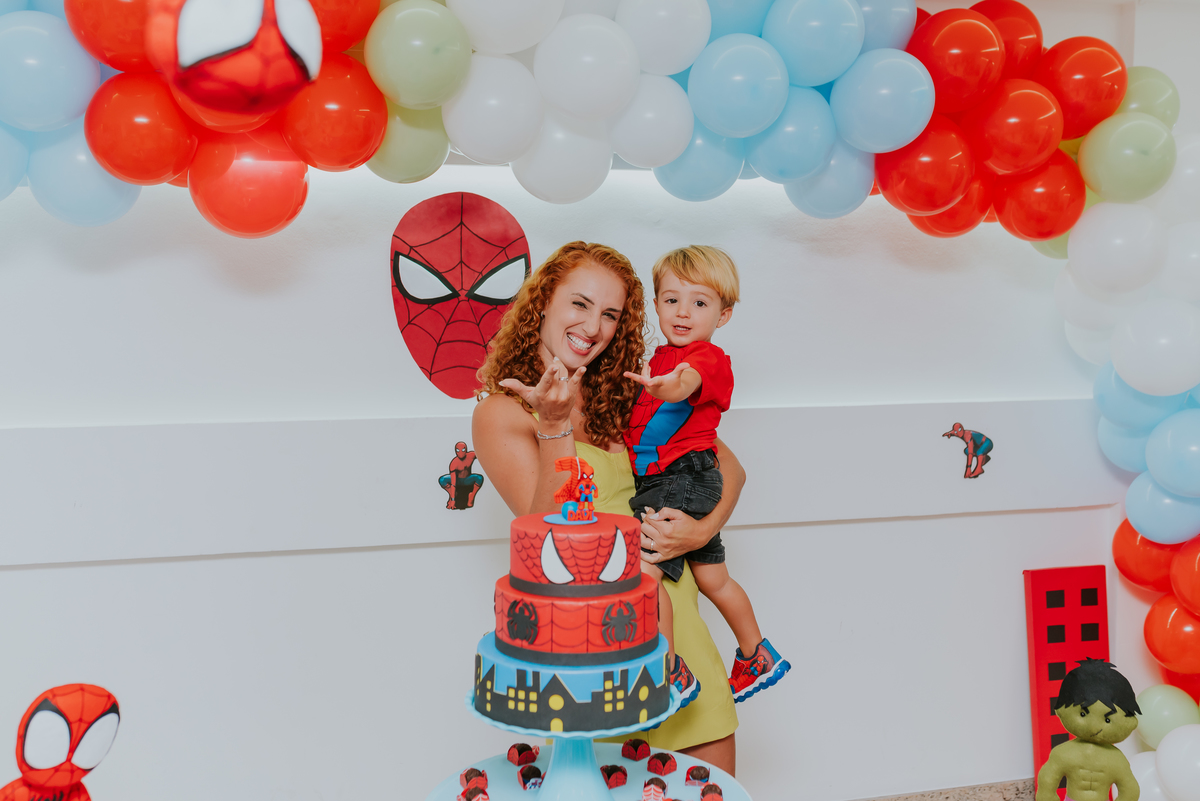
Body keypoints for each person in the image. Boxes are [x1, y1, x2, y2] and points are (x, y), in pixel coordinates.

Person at [472, 242, 744, 773]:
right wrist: (554, 429)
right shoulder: (504, 413)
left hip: (680, 638)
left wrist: (698, 532)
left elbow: (729, 466)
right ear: (543, 302)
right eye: (579, 304)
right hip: (602, 650)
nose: (593, 326)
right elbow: (544, 539)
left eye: (611, 314)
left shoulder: (623, 397)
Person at [624, 246, 788, 704]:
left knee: (643, 573)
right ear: (655, 304)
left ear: (724, 314)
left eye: (700, 302)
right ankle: (757, 654)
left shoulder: (706, 357)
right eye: (672, 299)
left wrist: (668, 386)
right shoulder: (655, 358)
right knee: (714, 579)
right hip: (691, 479)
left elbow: (686, 382)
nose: (683, 311)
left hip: (678, 478)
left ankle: (668, 672)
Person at [1036, 659, 1140, 801]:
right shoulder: (1062, 754)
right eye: (1083, 714)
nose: (1094, 727)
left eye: (1107, 719)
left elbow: (1129, 790)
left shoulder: (1118, 762)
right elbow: (1047, 782)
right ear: (1061, 709)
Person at [438, 441, 484, 510]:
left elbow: (483, 455)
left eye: (463, 450)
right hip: (457, 480)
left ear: (466, 449)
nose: (460, 452)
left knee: (479, 478)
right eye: (458, 450)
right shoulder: (454, 463)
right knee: (442, 479)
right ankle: (452, 493)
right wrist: (453, 499)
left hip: (468, 479)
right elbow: (453, 483)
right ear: (455, 451)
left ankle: (472, 495)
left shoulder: (471, 455)